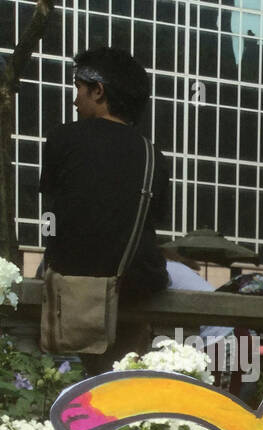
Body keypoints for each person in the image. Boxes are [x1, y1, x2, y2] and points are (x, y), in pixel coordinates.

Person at [40, 46, 171, 374]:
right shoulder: (153, 156)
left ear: (99, 91)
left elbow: (52, 215)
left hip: (71, 289)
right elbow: (150, 223)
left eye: (78, 88)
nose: (75, 100)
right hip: (133, 287)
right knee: (117, 385)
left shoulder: (62, 138)